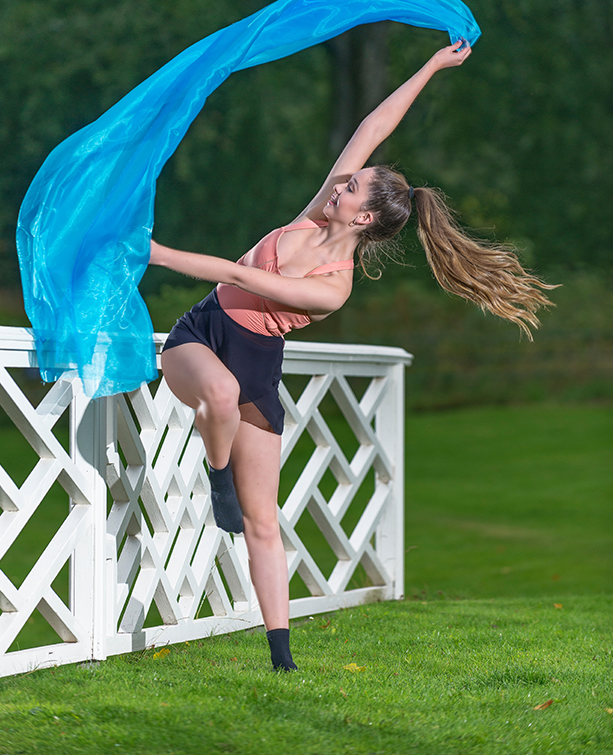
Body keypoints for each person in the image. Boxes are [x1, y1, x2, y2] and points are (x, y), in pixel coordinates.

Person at [148, 39, 554, 672]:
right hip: (201, 338)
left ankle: (281, 657)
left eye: (354, 185)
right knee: (219, 397)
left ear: (364, 219)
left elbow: (241, 272)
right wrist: (429, 67)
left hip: (257, 362)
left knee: (263, 525)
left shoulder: (334, 286)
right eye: (350, 176)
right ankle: (218, 472)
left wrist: (159, 254)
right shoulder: (314, 214)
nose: (342, 180)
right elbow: (374, 125)